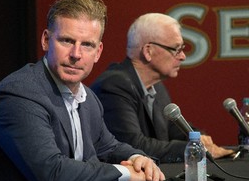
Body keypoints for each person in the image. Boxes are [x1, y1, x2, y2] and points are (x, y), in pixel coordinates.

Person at [0, 0, 165, 181]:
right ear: (46, 40)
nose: (76, 55)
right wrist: (125, 173)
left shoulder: (88, 98)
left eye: (87, 45)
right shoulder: (19, 94)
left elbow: (108, 146)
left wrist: (137, 158)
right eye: (67, 41)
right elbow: (52, 176)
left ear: (98, 52)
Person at [90, 13, 234, 163]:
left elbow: (174, 130)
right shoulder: (114, 85)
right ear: (148, 51)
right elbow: (133, 146)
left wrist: (199, 138)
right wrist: (194, 148)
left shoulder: (157, 86)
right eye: (176, 49)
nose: (183, 56)